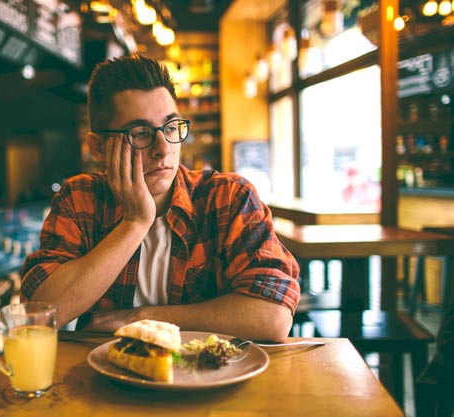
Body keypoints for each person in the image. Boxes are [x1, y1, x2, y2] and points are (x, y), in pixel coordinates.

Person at [21, 55, 300, 342]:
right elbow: (39, 314)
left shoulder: (228, 197)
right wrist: (134, 223)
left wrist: (140, 317)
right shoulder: (82, 198)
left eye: (170, 127)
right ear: (99, 148)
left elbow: (273, 316)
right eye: (140, 133)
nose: (163, 148)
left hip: (208, 379)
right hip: (105, 381)